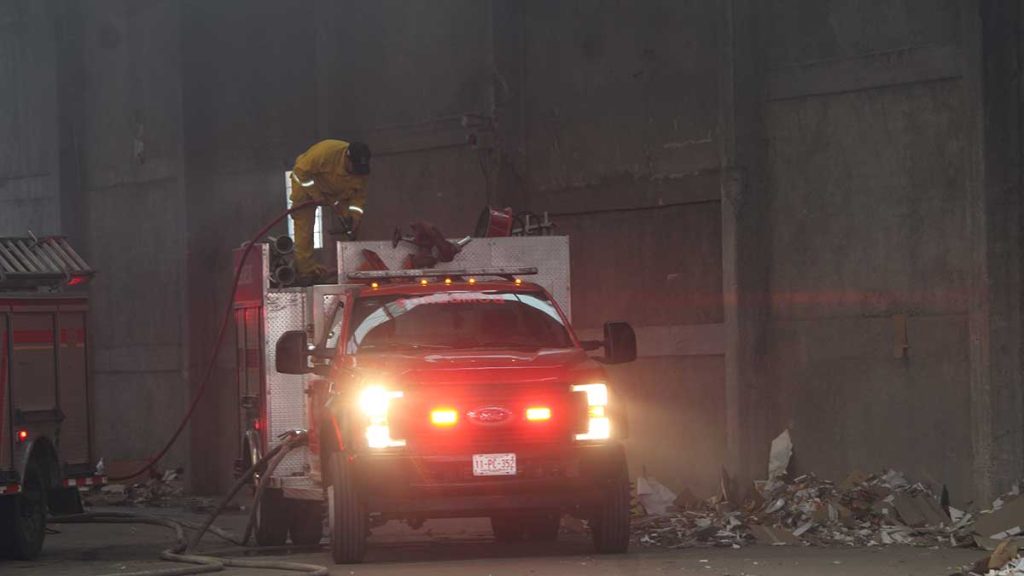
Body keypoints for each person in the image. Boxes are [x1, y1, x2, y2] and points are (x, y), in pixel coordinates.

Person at [289, 140, 371, 284]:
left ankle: (353, 266)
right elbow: (299, 172)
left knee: (351, 224)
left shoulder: (360, 170)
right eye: (355, 167)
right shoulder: (325, 153)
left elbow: (359, 197)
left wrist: (355, 217)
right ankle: (306, 272)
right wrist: (316, 195)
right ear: (347, 158)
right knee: (304, 229)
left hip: (335, 191)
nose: (357, 172)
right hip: (306, 185)